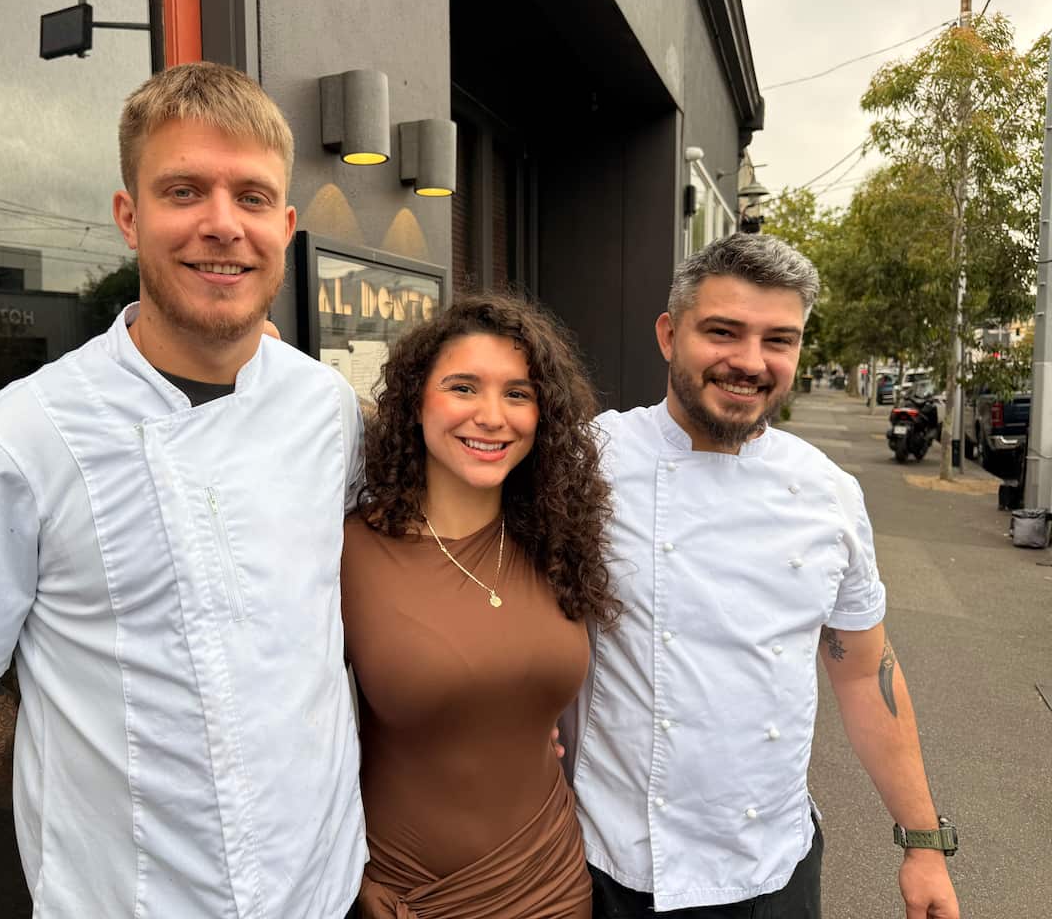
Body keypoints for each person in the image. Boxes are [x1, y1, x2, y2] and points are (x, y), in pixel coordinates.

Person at [0, 62, 367, 918]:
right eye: (184, 190)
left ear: (284, 225)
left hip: (324, 885)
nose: (223, 226)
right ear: (129, 217)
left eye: (251, 198)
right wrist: (99, 761)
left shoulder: (325, 407)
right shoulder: (12, 440)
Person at [565, 233, 960, 919]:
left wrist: (923, 843)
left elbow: (866, 672)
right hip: (605, 863)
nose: (749, 362)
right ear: (668, 334)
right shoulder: (587, 462)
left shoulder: (828, 494)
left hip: (767, 869)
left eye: (779, 339)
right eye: (723, 331)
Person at [342, 293, 621, 918]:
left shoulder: (556, 539)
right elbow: (294, 731)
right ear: (416, 402)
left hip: (552, 876)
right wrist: (343, 870)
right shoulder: (348, 554)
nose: (492, 416)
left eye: (518, 394)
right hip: (408, 890)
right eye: (463, 388)